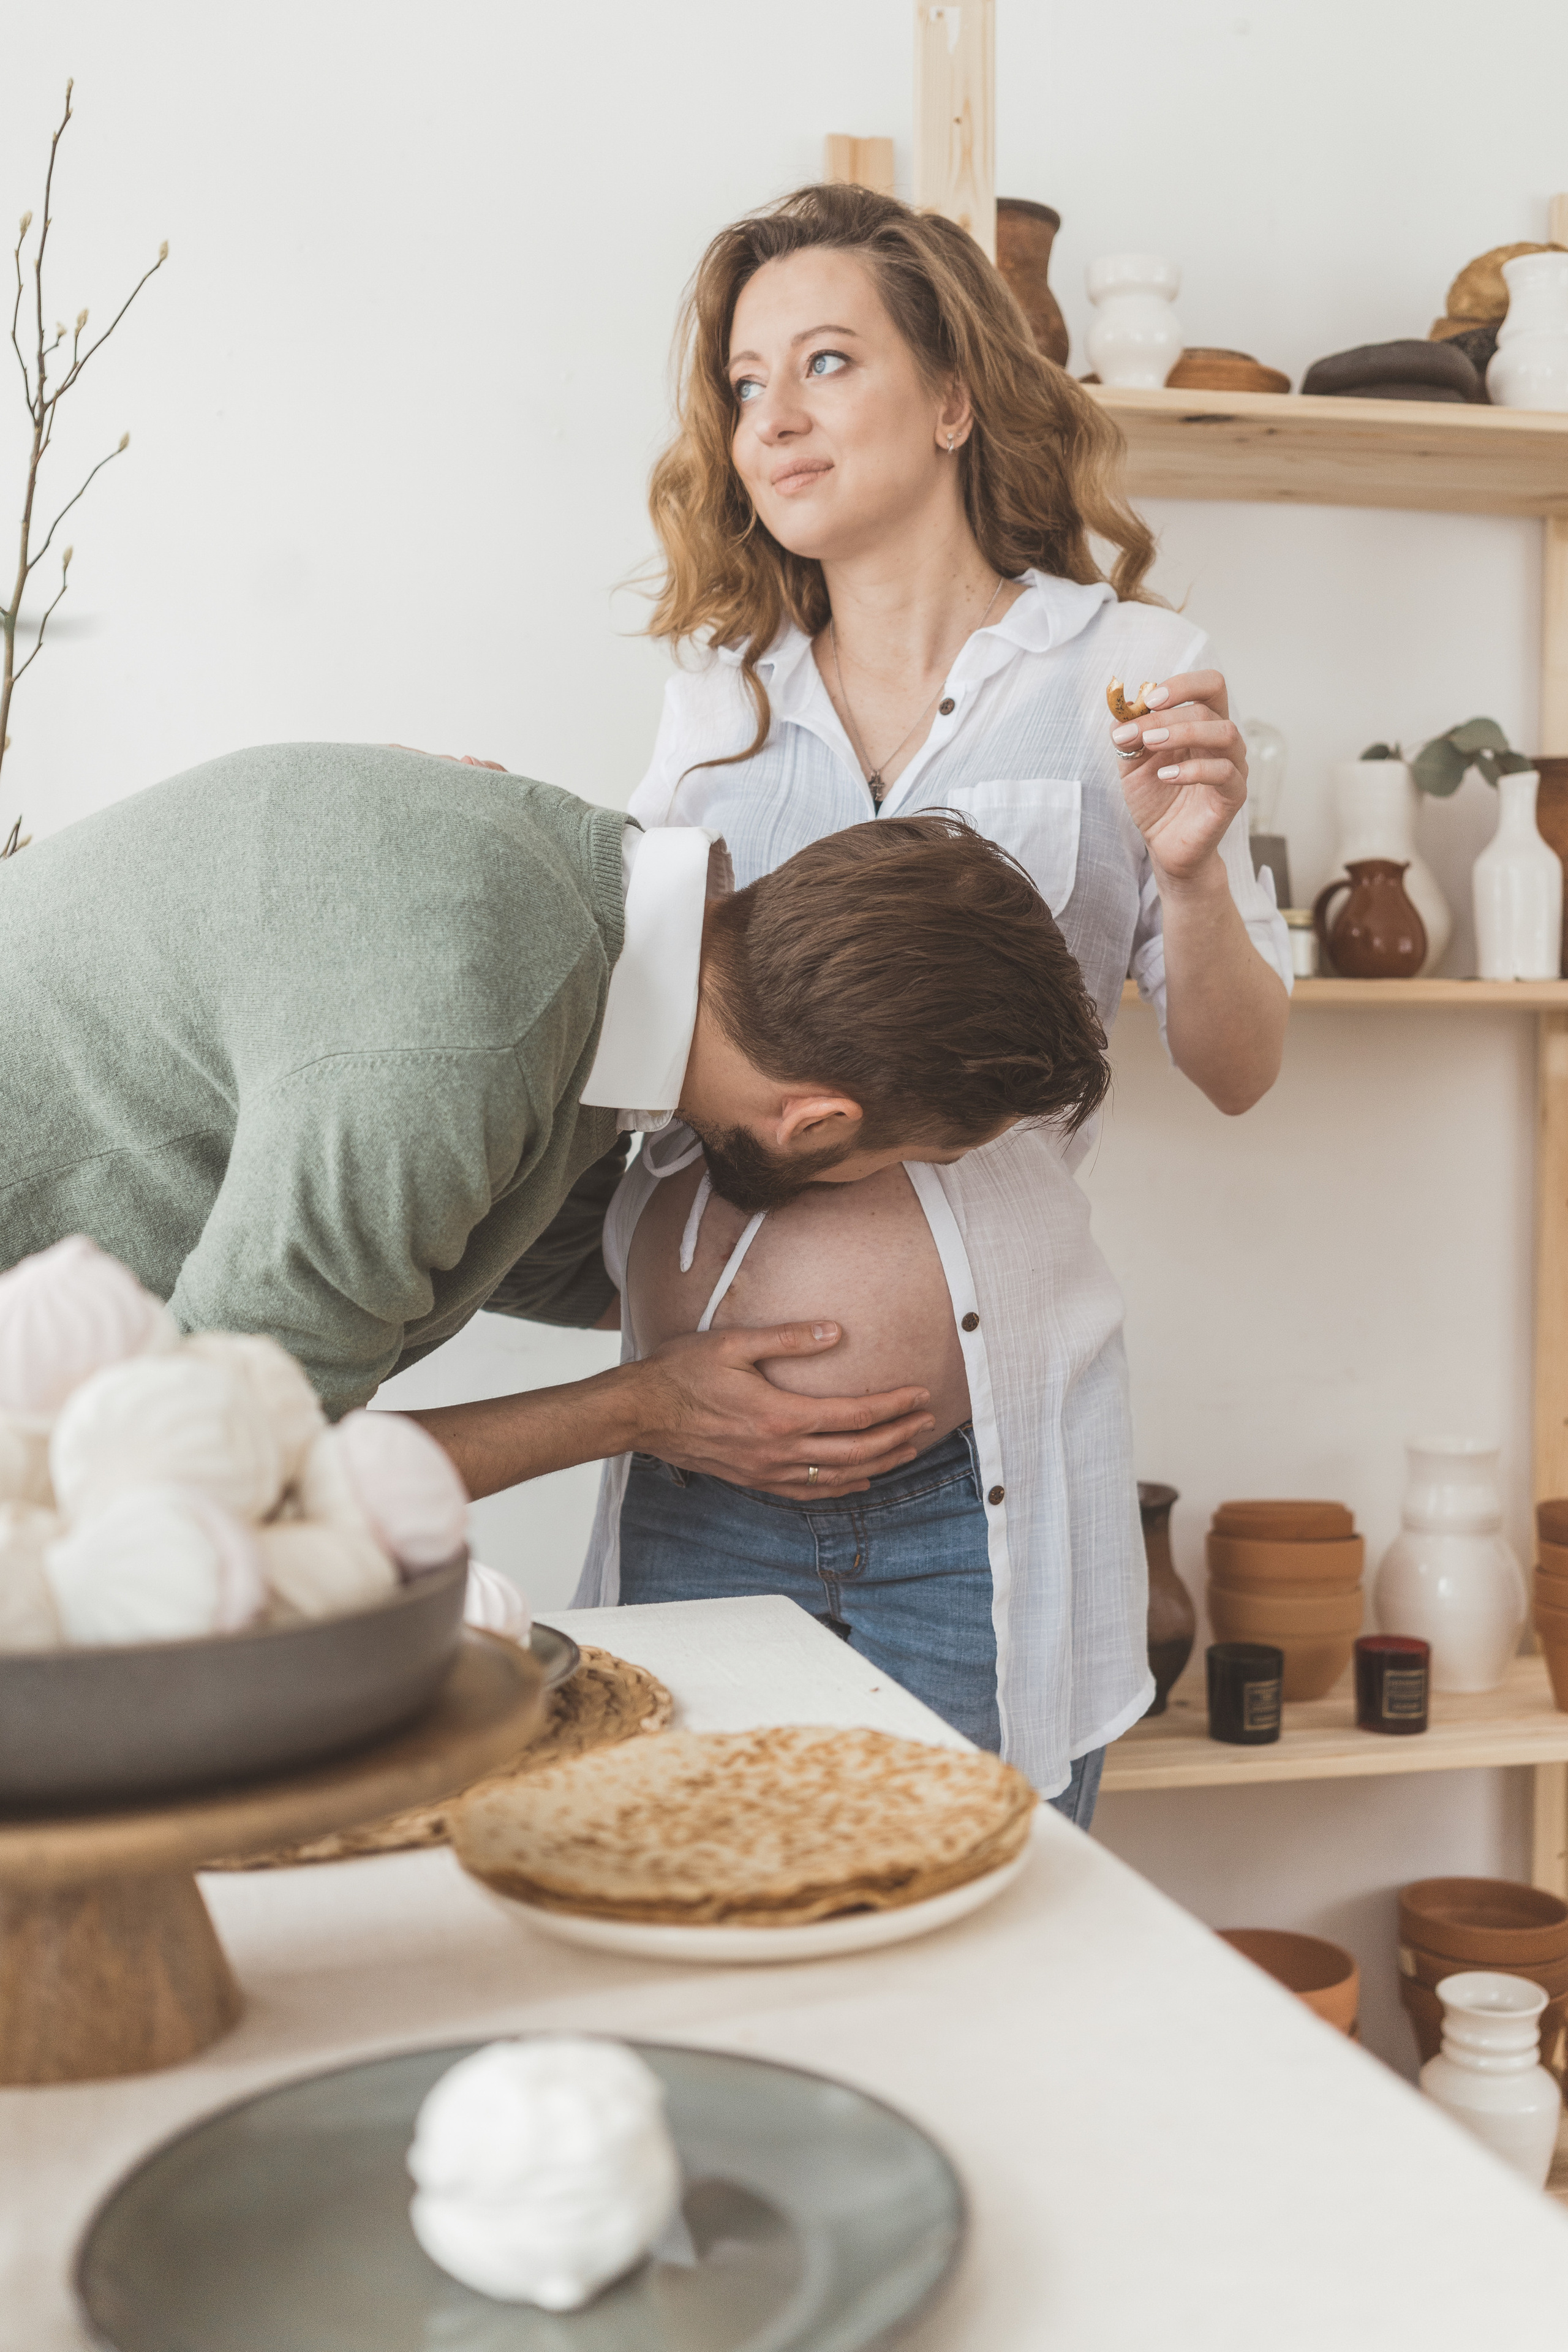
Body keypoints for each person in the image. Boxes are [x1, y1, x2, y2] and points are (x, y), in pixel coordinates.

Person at [570, 184, 1292, 1824]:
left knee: (987, 1964)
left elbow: (1239, 1070)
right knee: (702, 1943)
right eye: (746, 385)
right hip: (701, 1476)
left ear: (957, 396)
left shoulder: (1126, 665)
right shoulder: (715, 705)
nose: (777, 418)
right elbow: (627, 1056)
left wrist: (1187, 880)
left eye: (826, 362)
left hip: (981, 1505)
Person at [0, 739, 1108, 1498]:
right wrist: (638, 1410)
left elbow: (485, 1217)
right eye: (897, 1167)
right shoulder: (458, 1042)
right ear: (815, 1123)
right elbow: (206, 1467)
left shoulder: (578, 901)